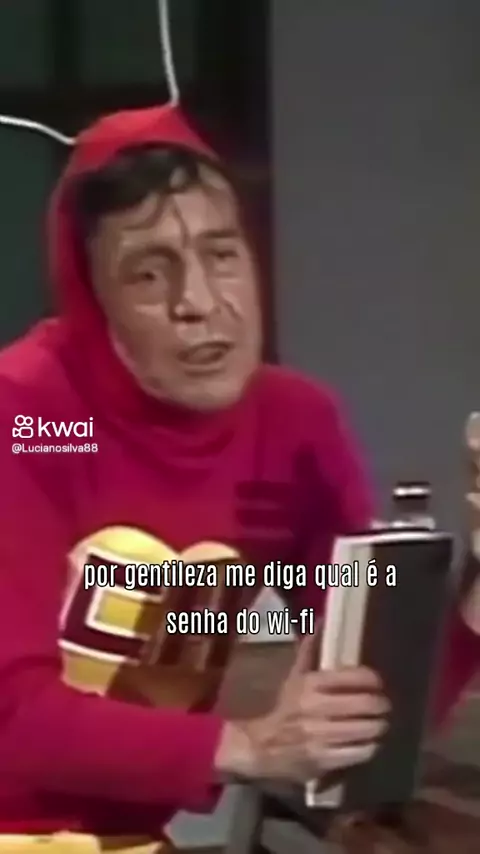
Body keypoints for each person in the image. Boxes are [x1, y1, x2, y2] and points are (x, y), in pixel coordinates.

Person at [0, 105, 478, 854]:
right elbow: (11, 718)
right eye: (149, 272)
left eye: (221, 255)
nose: (199, 304)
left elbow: (373, 707)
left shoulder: (296, 424)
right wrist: (249, 745)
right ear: (94, 298)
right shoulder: (27, 416)